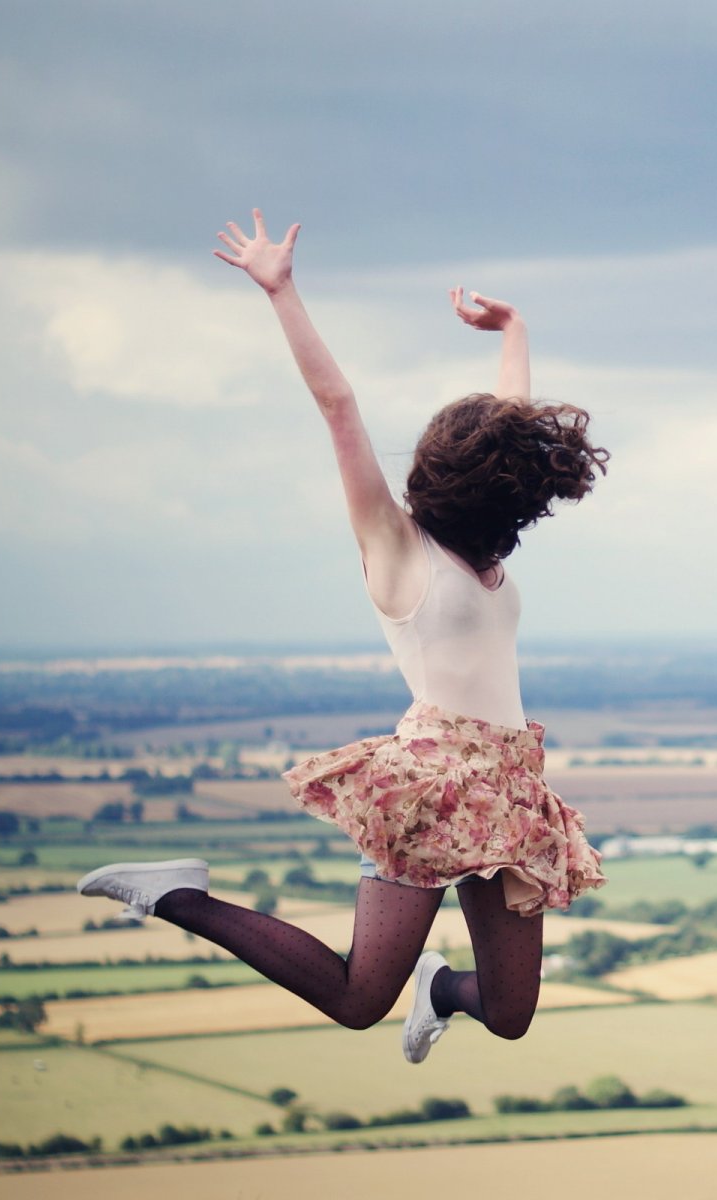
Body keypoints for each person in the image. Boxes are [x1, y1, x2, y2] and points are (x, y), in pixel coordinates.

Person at [77, 209, 607, 1063]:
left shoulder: (484, 549)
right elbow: (338, 405)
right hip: (431, 785)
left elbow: (509, 434)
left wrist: (514, 330)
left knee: (511, 1013)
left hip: (510, 787)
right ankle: (177, 897)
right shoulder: (397, 548)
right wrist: (280, 290)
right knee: (359, 998)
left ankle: (440, 989)